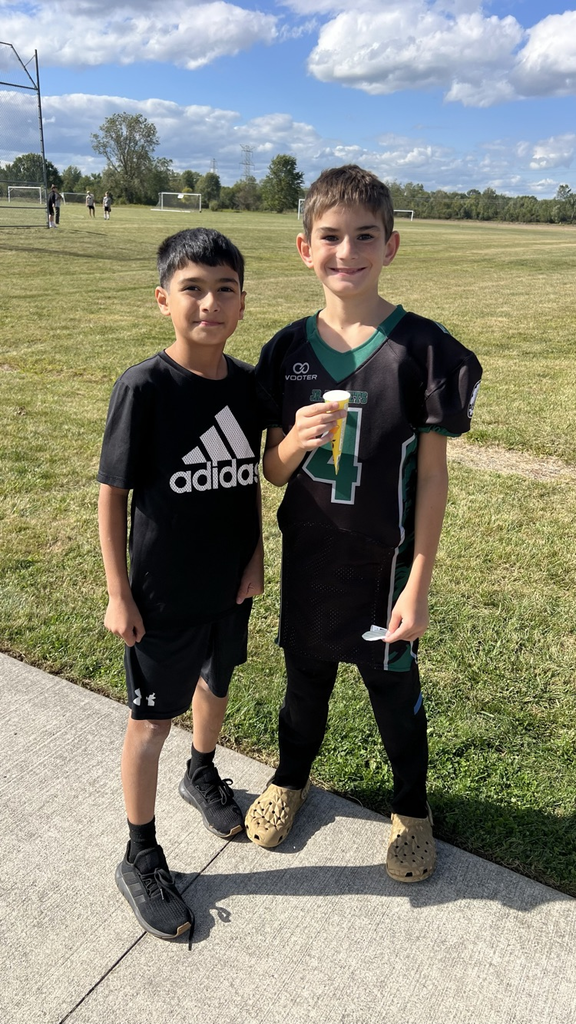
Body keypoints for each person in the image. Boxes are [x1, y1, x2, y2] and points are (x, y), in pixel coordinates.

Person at [245, 165, 482, 883]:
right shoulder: (288, 349)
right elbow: (273, 470)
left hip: (384, 570)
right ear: (304, 249)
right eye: (330, 238)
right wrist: (293, 441)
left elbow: (433, 478)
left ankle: (412, 808)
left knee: (394, 698)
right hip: (312, 561)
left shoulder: (424, 349)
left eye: (364, 237)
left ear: (391, 246)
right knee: (303, 684)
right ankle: (291, 778)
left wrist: (420, 581)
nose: (346, 252)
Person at [98, 227, 264, 940]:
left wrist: (255, 557)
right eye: (192, 288)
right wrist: (118, 592)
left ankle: (202, 772)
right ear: (163, 300)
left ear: (242, 302)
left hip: (228, 585)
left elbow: (249, 476)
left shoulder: (249, 386)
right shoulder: (145, 387)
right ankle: (140, 853)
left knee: (217, 685)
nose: (209, 302)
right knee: (149, 722)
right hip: (161, 593)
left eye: (224, 288)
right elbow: (112, 495)